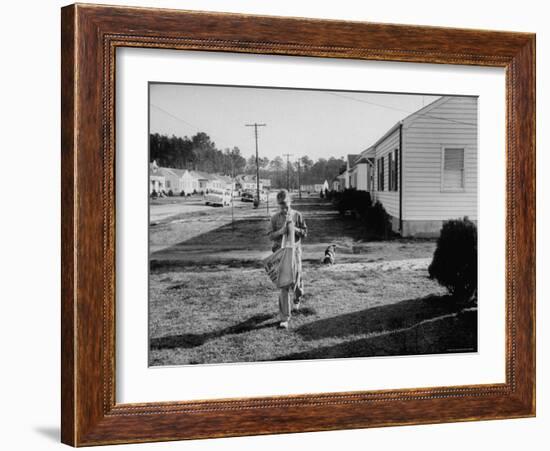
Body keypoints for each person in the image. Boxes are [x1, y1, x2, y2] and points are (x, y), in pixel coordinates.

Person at [268, 189, 307, 329]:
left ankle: (298, 296)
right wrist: (281, 231)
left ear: (290, 202)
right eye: (280, 205)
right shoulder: (275, 218)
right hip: (281, 254)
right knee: (284, 285)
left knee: (296, 280)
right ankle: (284, 318)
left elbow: (305, 233)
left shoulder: (297, 215)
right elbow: (270, 235)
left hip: (295, 253)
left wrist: (294, 229)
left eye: (285, 204)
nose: (284, 208)